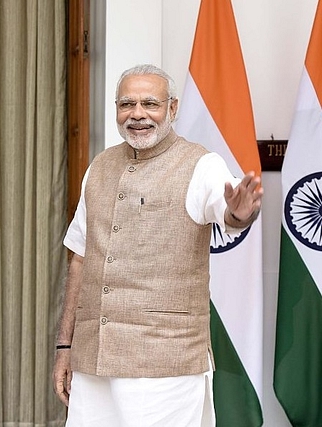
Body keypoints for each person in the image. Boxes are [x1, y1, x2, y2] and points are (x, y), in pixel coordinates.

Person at [51, 64, 263, 427]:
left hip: (165, 365)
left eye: (150, 103)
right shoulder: (99, 167)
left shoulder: (201, 165)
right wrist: (65, 348)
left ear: (173, 109)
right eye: (126, 104)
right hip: (94, 360)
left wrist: (238, 214)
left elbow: (224, 207)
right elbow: (80, 260)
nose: (137, 114)